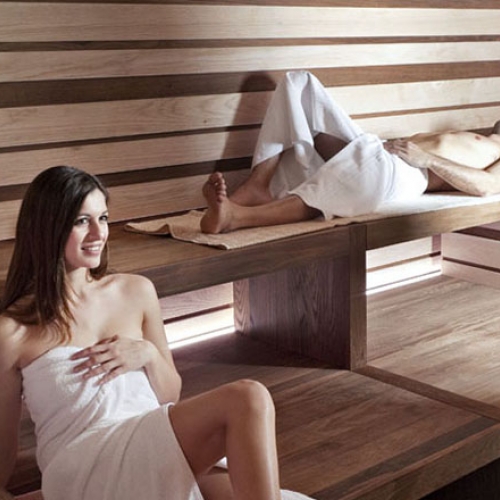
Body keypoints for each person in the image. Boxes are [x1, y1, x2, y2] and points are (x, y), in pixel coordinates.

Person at [0, 166, 313, 500]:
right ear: (47, 227)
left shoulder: (135, 291)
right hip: (83, 463)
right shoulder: (13, 331)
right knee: (248, 398)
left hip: (149, 440)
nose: (98, 233)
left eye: (102, 218)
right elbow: (3, 444)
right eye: (81, 221)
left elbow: (169, 395)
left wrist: (147, 354)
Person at [200, 71, 500, 234]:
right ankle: (258, 184)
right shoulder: (485, 136)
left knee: (358, 176)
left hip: (411, 173)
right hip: (379, 147)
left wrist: (427, 159)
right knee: (299, 82)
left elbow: (488, 186)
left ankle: (238, 217)